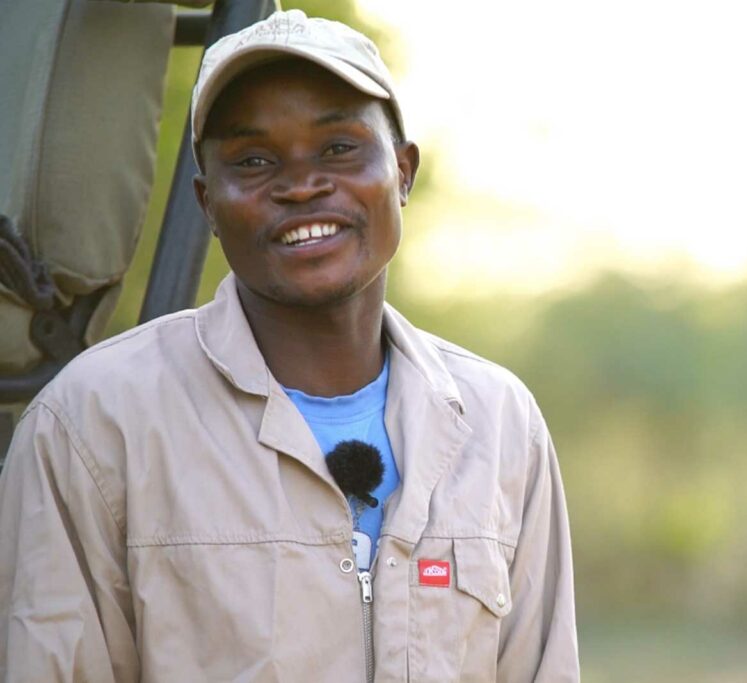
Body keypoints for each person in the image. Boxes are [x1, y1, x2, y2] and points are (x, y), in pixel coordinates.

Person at [0, 9, 579, 682]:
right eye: (253, 160)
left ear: (403, 171)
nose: (301, 185)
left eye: (338, 148)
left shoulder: (499, 422)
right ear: (207, 202)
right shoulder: (93, 422)